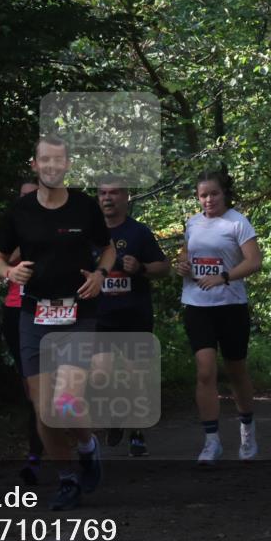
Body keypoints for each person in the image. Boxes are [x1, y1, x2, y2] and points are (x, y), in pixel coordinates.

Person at [0, 135, 116, 510]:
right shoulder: (20, 211)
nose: (50, 166)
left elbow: (107, 247)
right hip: (34, 314)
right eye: (44, 160)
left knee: (68, 399)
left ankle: (88, 445)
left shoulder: (84, 207)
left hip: (77, 312)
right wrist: (9, 273)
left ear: (67, 165)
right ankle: (66, 478)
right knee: (44, 406)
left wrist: (101, 274)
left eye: (57, 160)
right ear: (35, 164)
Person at [176, 171, 262, 466]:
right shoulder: (192, 222)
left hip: (230, 305)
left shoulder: (237, 222)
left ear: (224, 193)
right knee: (204, 371)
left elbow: (254, 261)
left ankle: (247, 431)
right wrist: (183, 265)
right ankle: (211, 442)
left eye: (213, 193)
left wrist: (223, 276)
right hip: (197, 304)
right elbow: (186, 254)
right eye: (203, 195)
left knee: (236, 371)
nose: (208, 199)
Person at [95, 176, 170, 456]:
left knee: (135, 377)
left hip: (134, 315)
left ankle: (137, 431)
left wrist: (139, 267)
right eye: (102, 193)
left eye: (113, 192)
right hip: (101, 317)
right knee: (101, 375)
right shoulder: (90, 234)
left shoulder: (139, 232)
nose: (107, 198)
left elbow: (164, 267)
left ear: (126, 197)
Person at [0, 180, 45, 483]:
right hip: (17, 311)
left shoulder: (61, 225)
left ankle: (77, 443)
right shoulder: (10, 229)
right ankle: (35, 456)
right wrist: (9, 259)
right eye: (23, 195)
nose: (28, 199)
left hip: (57, 311)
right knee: (32, 389)